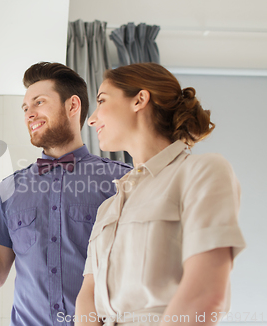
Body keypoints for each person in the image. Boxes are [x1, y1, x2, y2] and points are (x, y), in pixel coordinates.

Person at [0, 62, 131, 326]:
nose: (29, 114)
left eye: (39, 102)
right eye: (25, 108)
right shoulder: (10, 189)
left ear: (72, 106)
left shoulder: (123, 180)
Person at [75, 63, 246, 326]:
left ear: (139, 100)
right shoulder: (107, 207)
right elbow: (88, 298)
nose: (91, 119)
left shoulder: (202, 171)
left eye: (101, 101)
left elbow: (205, 294)